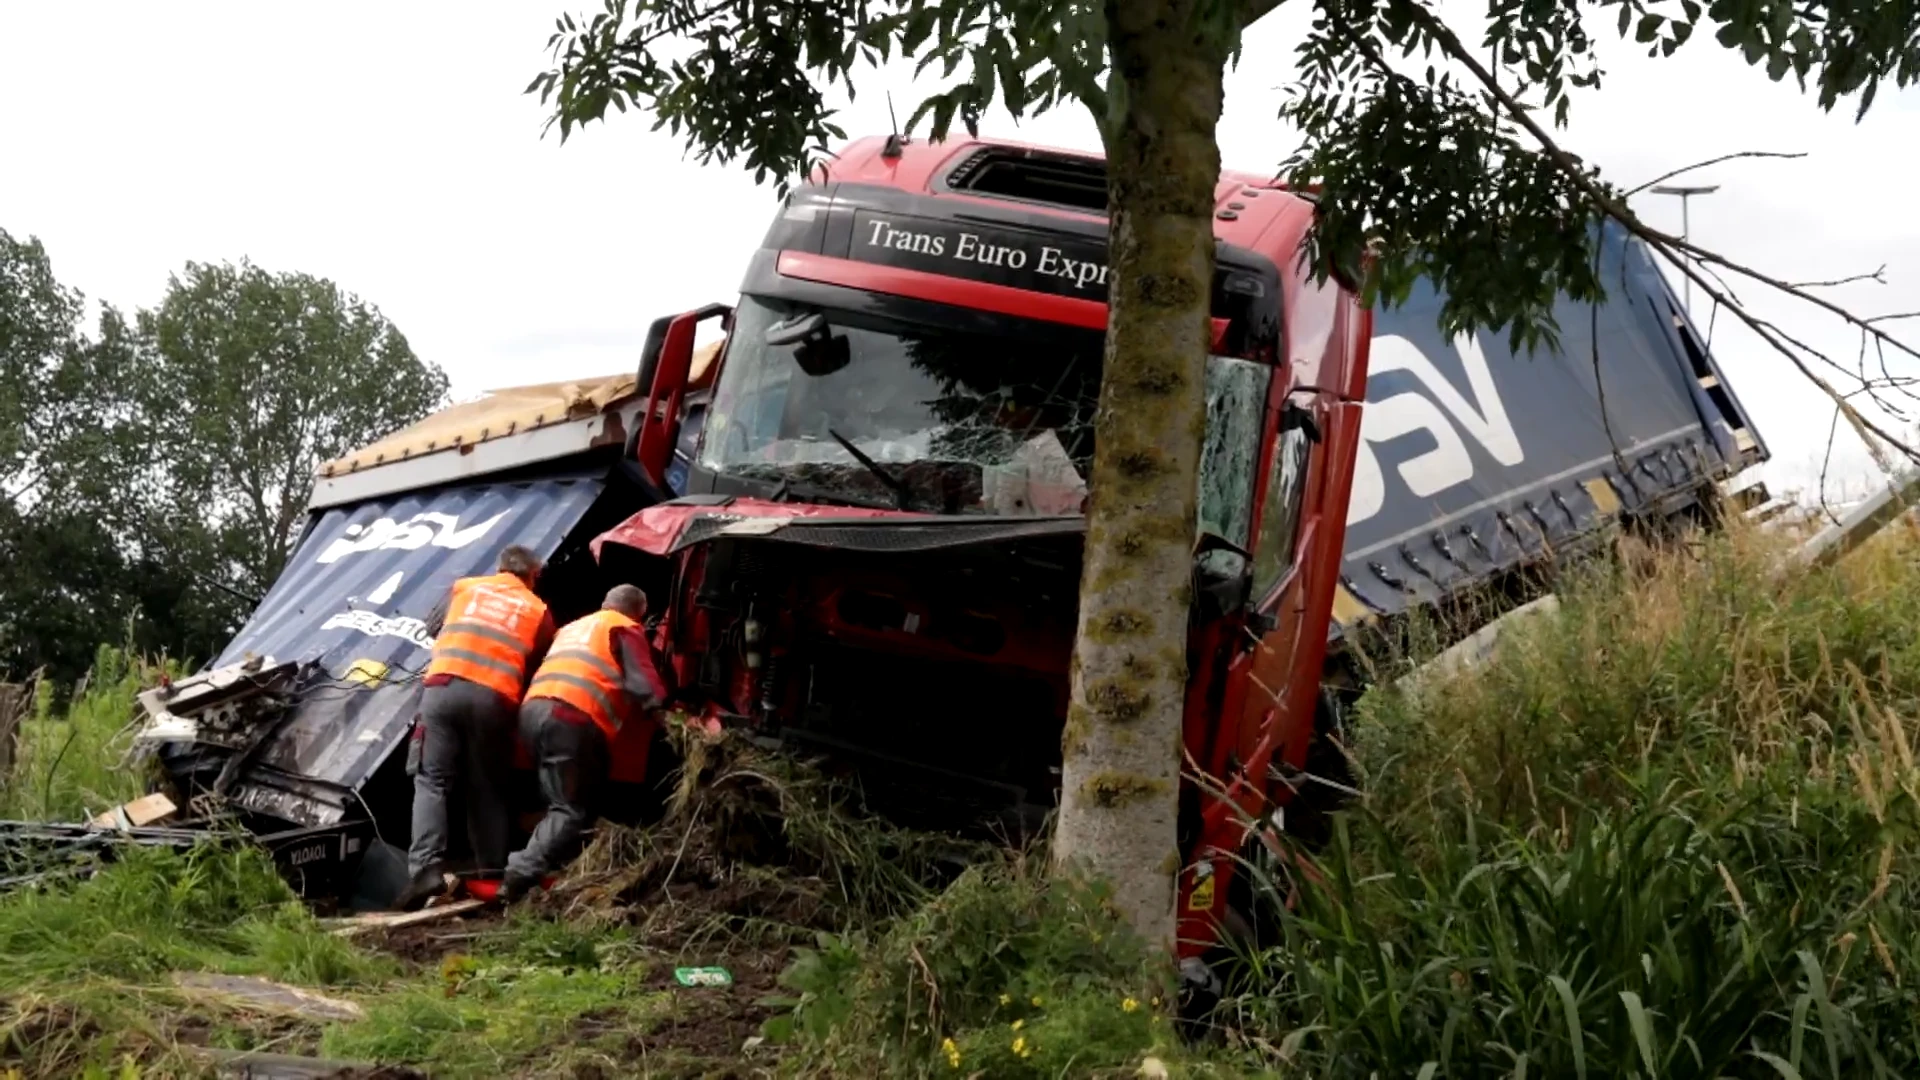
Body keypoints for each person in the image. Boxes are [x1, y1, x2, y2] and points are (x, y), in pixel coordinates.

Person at [394, 544, 555, 910]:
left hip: (443, 690)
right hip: (496, 699)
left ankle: (425, 872)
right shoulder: (538, 609)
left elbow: (433, 628)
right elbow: (539, 658)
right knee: (488, 790)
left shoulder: (465, 589)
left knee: (431, 780)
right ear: (534, 576)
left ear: (500, 568)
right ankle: (493, 876)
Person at [499, 583, 670, 902]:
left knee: (555, 799)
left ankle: (539, 865)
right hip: (571, 717)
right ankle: (520, 873)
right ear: (638, 612)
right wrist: (666, 719)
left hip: (532, 711)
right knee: (570, 809)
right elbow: (641, 680)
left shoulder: (573, 627)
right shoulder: (624, 627)